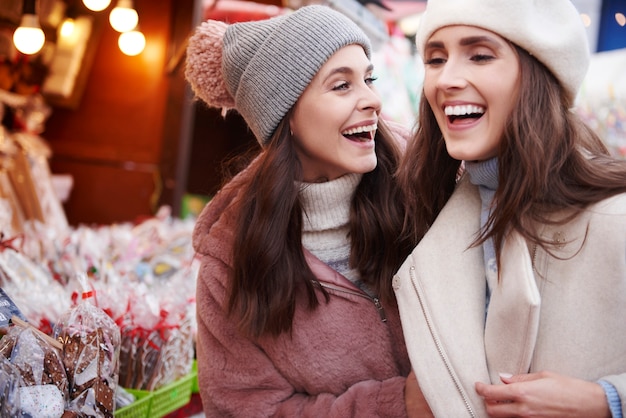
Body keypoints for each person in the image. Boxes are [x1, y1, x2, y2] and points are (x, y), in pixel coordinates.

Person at [185, 5, 429, 417]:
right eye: (341, 86)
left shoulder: (426, 185)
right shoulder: (231, 260)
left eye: (368, 79)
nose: (372, 100)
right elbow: (244, 408)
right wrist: (394, 406)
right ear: (286, 116)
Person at [393, 0, 626, 417]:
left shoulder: (616, 216)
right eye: (435, 58)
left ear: (540, 73)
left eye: (480, 55)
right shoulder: (426, 215)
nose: (446, 79)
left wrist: (607, 401)